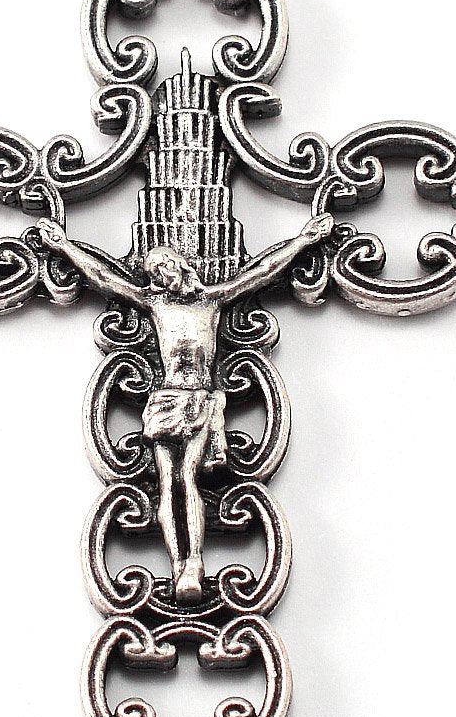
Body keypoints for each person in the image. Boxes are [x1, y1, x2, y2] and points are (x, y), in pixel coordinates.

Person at [37, 213, 334, 603]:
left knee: (188, 477)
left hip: (200, 401)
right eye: (154, 272)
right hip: (166, 400)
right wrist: (62, 246)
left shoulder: (212, 300)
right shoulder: (155, 303)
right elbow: (105, 278)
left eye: (164, 266)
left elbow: (261, 273)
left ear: (180, 264)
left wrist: (303, 241)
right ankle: (178, 563)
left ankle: (193, 563)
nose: (161, 275)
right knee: (167, 482)